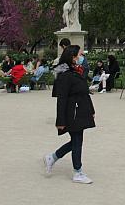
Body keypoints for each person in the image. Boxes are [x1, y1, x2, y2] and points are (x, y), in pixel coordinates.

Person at [44, 45, 95, 184]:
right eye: (79, 55)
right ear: (72, 57)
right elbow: (62, 99)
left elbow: (84, 92)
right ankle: (77, 171)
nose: (81, 57)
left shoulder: (77, 70)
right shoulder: (65, 74)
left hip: (80, 109)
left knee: (76, 141)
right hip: (72, 111)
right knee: (77, 141)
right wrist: (60, 120)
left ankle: (53, 157)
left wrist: (91, 110)